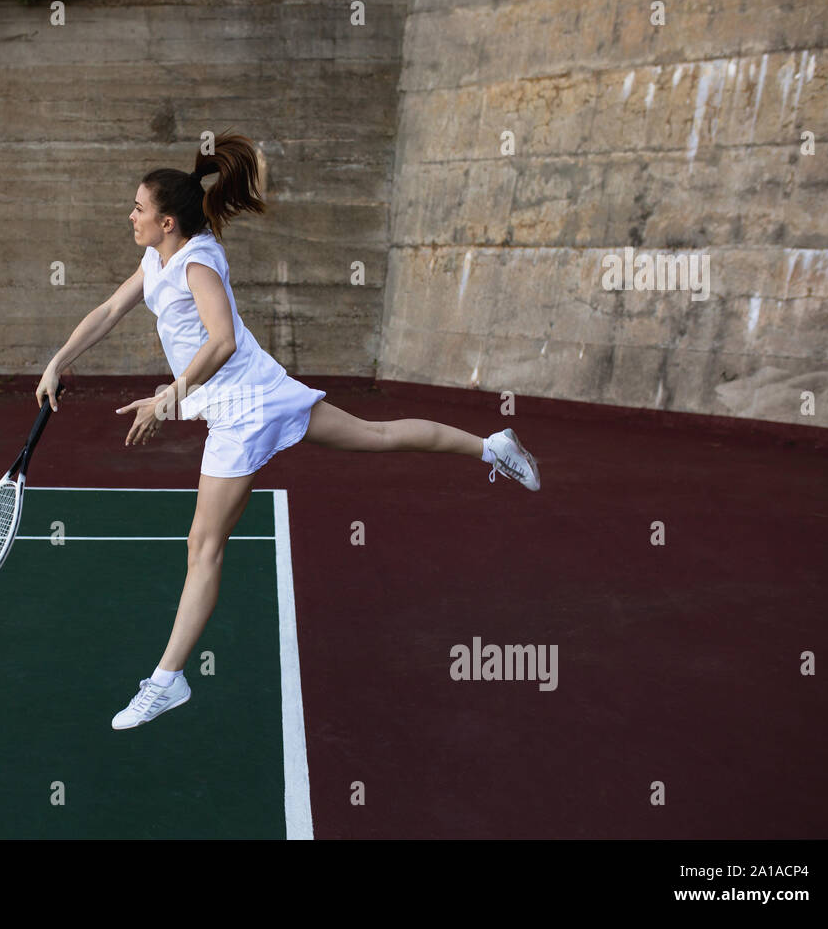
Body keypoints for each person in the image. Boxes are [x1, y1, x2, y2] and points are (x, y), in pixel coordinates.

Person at [34, 131, 540, 730]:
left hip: (243, 410)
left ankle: (165, 682)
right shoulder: (160, 257)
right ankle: (493, 446)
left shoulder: (196, 263)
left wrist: (169, 398)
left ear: (167, 221)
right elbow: (110, 310)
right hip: (261, 389)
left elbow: (221, 340)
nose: (131, 215)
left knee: (204, 548)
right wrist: (59, 360)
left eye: (138, 208)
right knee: (374, 437)